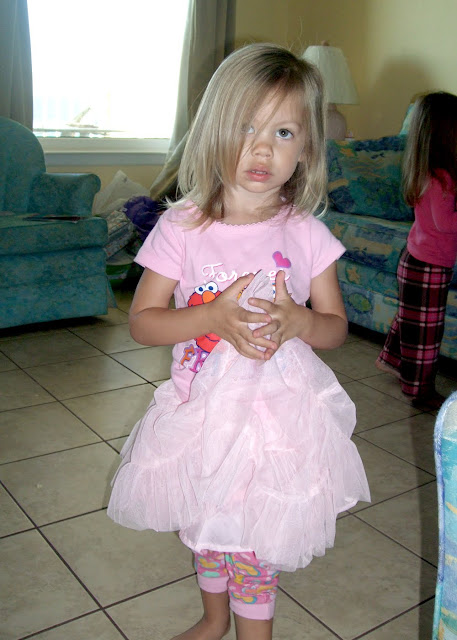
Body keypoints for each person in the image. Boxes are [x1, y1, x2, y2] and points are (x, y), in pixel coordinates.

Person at [107, 43, 370, 640]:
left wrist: (301, 322)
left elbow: (334, 327)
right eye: (246, 127)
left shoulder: (307, 234)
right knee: (207, 523)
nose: (262, 149)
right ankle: (213, 617)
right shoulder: (182, 227)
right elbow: (143, 322)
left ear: (305, 148)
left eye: (283, 132)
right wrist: (211, 318)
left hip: (276, 424)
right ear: (212, 132)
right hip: (200, 414)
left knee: (251, 543)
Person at [376, 91, 457, 410]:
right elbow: (444, 223)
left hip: (420, 261)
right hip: (427, 266)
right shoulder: (439, 178)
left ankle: (392, 360)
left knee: (412, 319)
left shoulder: (431, 171)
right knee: (425, 332)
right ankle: (419, 391)